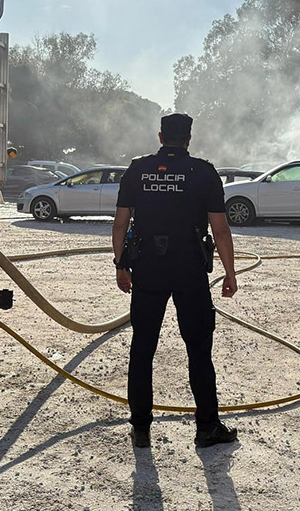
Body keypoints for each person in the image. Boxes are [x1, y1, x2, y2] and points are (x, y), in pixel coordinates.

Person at [112, 113, 239, 449]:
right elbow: (220, 229)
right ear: (188, 139)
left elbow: (120, 224)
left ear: (159, 136)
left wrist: (121, 266)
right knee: (199, 348)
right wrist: (230, 272)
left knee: (143, 347)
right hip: (189, 270)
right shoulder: (203, 172)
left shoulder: (138, 170)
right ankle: (207, 427)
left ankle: (140, 429)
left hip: (148, 269)